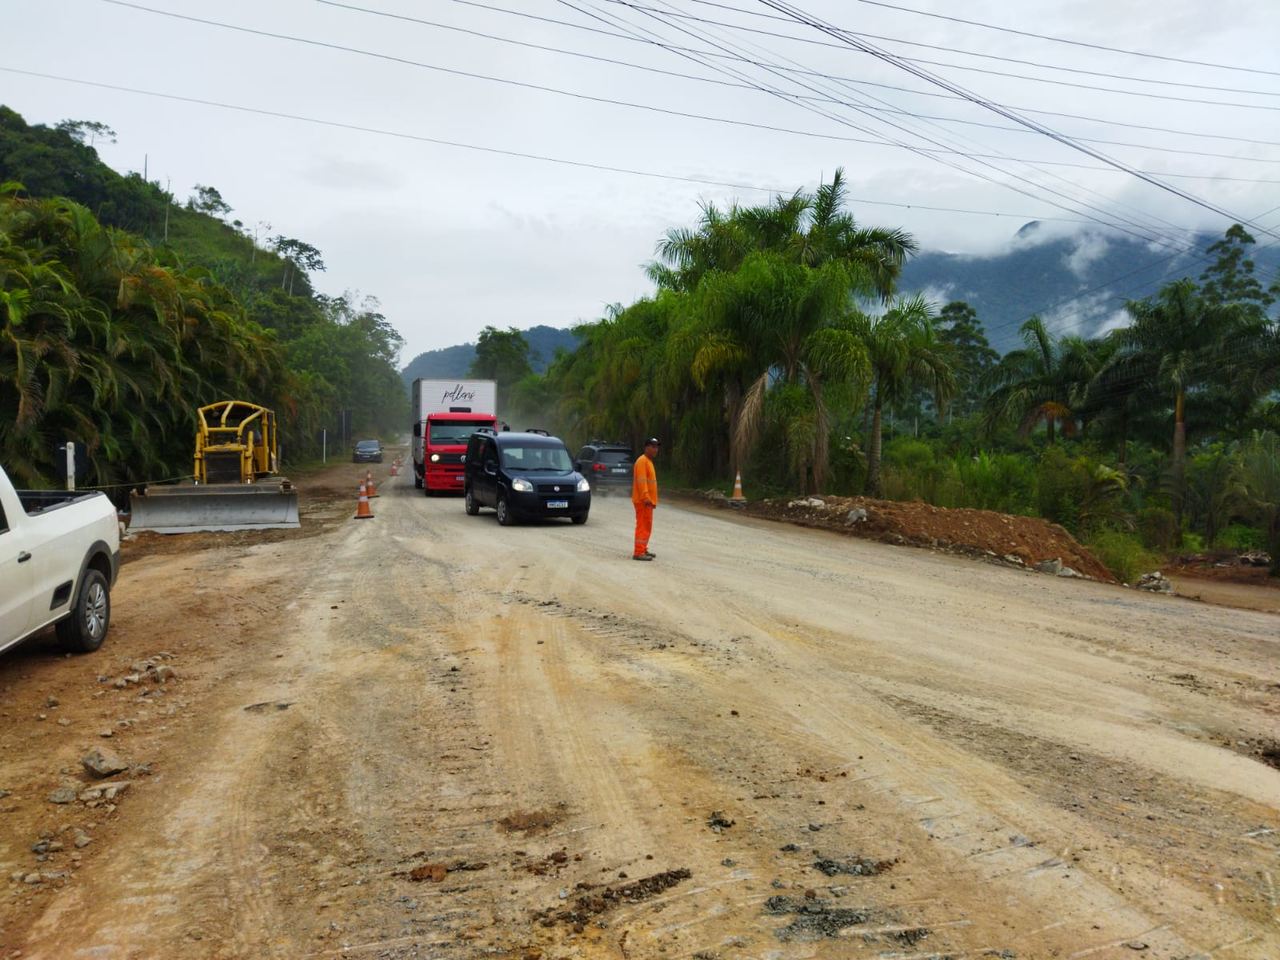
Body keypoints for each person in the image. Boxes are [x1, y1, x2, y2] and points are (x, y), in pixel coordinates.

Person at [631, 437, 660, 561]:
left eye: (657, 447)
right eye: (653, 446)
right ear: (646, 447)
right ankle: (638, 552)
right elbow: (641, 482)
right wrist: (646, 497)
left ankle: (643, 548)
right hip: (644, 501)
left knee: (647, 526)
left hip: (648, 501)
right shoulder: (642, 461)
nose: (655, 449)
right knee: (642, 526)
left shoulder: (648, 461)